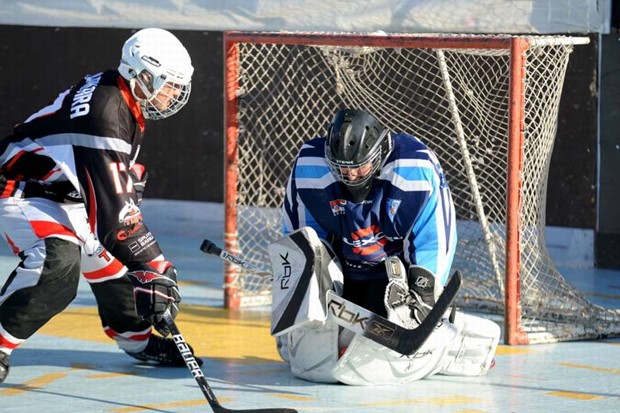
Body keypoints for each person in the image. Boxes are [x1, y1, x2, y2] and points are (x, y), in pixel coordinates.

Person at [0, 28, 201, 384]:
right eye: (168, 84)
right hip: (22, 189)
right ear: (141, 74)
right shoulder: (104, 114)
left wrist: (143, 267)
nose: (173, 95)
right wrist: (157, 267)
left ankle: (137, 341)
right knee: (57, 262)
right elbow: (117, 222)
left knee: (117, 269)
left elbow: (106, 187)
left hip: (63, 190)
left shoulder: (119, 92)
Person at [268, 108, 500, 385]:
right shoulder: (310, 165)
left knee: (402, 328)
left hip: (394, 283)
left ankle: (451, 342)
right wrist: (304, 287)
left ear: (377, 155)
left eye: (358, 168)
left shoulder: (414, 167)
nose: (349, 176)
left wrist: (424, 294)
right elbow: (304, 238)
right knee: (301, 353)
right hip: (343, 277)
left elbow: (435, 238)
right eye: (341, 168)